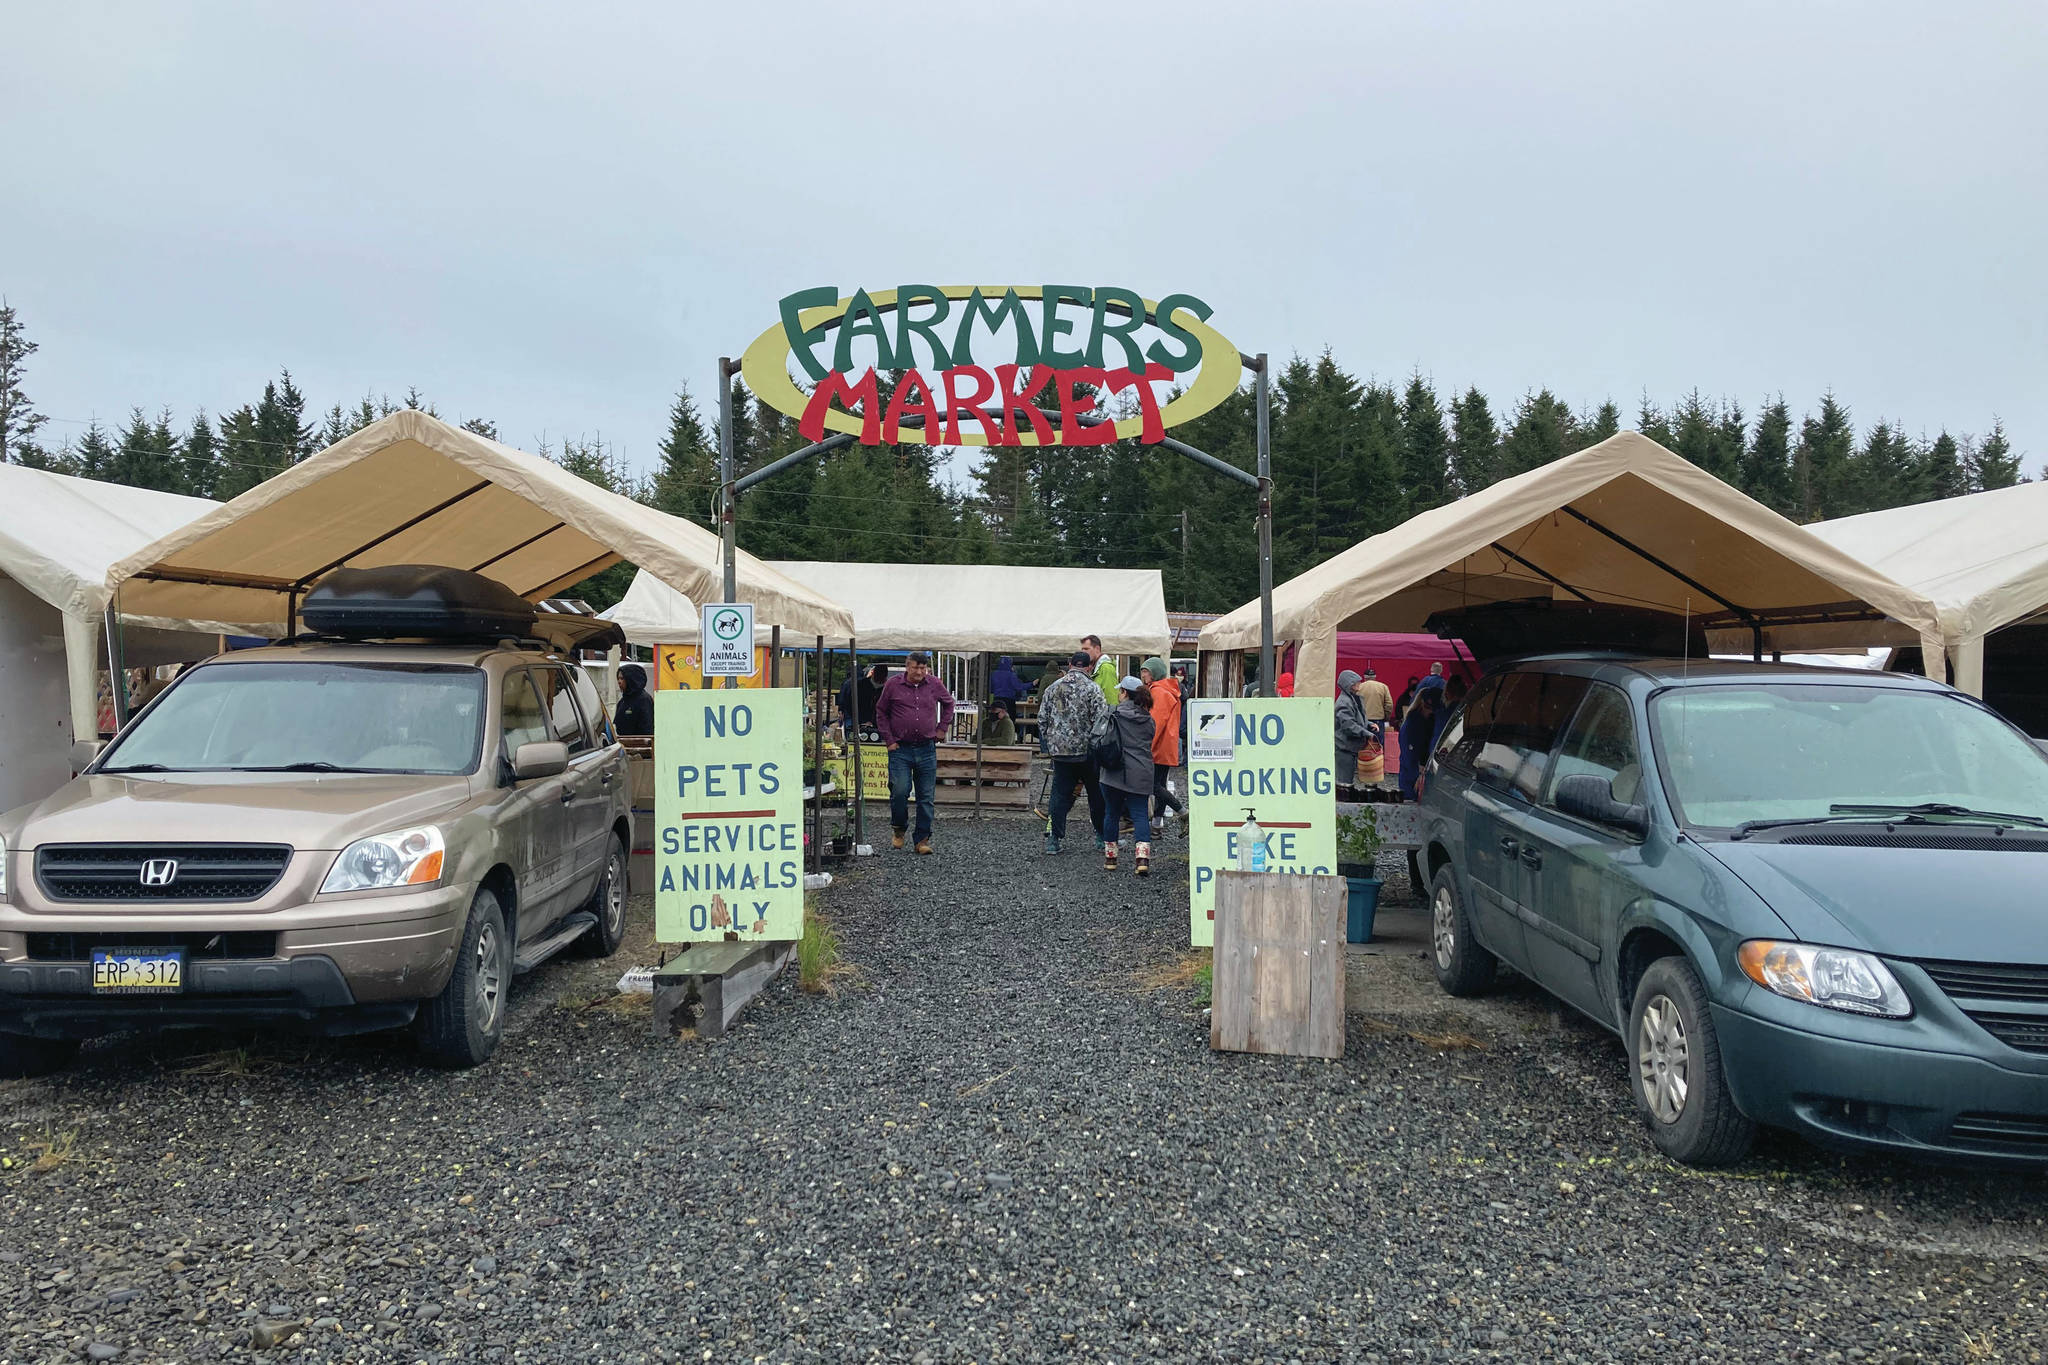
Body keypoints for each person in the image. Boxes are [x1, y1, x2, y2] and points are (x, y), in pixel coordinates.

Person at [874, 651, 955, 854]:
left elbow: (949, 703)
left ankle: (922, 840)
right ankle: (899, 828)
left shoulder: (934, 684)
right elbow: (881, 711)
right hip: (901, 748)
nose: (919, 671)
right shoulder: (893, 684)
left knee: (926, 796)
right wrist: (889, 740)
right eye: (915, 667)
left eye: (922, 667)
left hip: (927, 747)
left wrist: (942, 727)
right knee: (900, 790)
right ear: (907, 666)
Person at [1037, 651, 1107, 854]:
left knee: (1059, 795)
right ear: (1089, 667)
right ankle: (1101, 837)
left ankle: (1054, 840)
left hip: (1061, 753)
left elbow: (1042, 719)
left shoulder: (1053, 688)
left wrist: (1051, 743)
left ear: (1069, 664)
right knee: (1096, 794)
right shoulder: (1093, 689)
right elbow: (1102, 722)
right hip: (1088, 752)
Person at [1099, 677, 1157, 875]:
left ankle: (1111, 859)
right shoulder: (1148, 720)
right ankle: (1142, 860)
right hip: (1141, 772)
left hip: (1113, 770)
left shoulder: (1114, 714)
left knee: (1111, 813)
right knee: (1140, 815)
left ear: (1124, 693)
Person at [1141, 656, 1183, 829]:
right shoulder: (1167, 690)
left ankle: (1182, 811)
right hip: (1167, 744)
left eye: (1146, 671)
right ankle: (1157, 824)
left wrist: (1146, 746)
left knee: (1153, 785)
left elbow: (1155, 724)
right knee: (1160, 784)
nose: (1143, 675)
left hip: (1158, 746)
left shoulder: (1158, 692)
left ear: (1154, 673)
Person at [1334, 670, 1374, 797]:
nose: (1359, 685)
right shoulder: (1344, 702)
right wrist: (1366, 733)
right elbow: (1348, 725)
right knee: (1344, 782)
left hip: (1350, 747)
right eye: (1357, 682)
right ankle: (1342, 807)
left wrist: (1369, 724)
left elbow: (1358, 718)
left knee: (1348, 779)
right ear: (1349, 684)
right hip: (1344, 747)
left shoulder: (1352, 699)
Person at [1398, 685, 1442, 802]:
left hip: (1420, 771)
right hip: (1412, 775)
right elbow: (1409, 754)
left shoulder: (1429, 720)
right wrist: (1419, 775)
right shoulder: (1413, 723)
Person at [837, 663, 888, 736]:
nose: (881, 677)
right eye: (879, 674)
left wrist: (873, 722)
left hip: (879, 725)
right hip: (858, 722)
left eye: (883, 675)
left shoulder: (888, 688)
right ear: (873, 673)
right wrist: (862, 721)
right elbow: (850, 703)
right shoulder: (860, 685)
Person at [613, 662, 654, 738]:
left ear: (631, 679)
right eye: (618, 679)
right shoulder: (622, 701)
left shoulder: (644, 700)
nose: (619, 682)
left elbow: (647, 728)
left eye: (622, 678)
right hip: (624, 744)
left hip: (640, 745)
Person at [1081, 634, 1120, 705]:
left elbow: (1111, 699)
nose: (1083, 652)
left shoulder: (1106, 668)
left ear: (1097, 649)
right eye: (1082, 649)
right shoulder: (1094, 668)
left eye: (1086, 649)